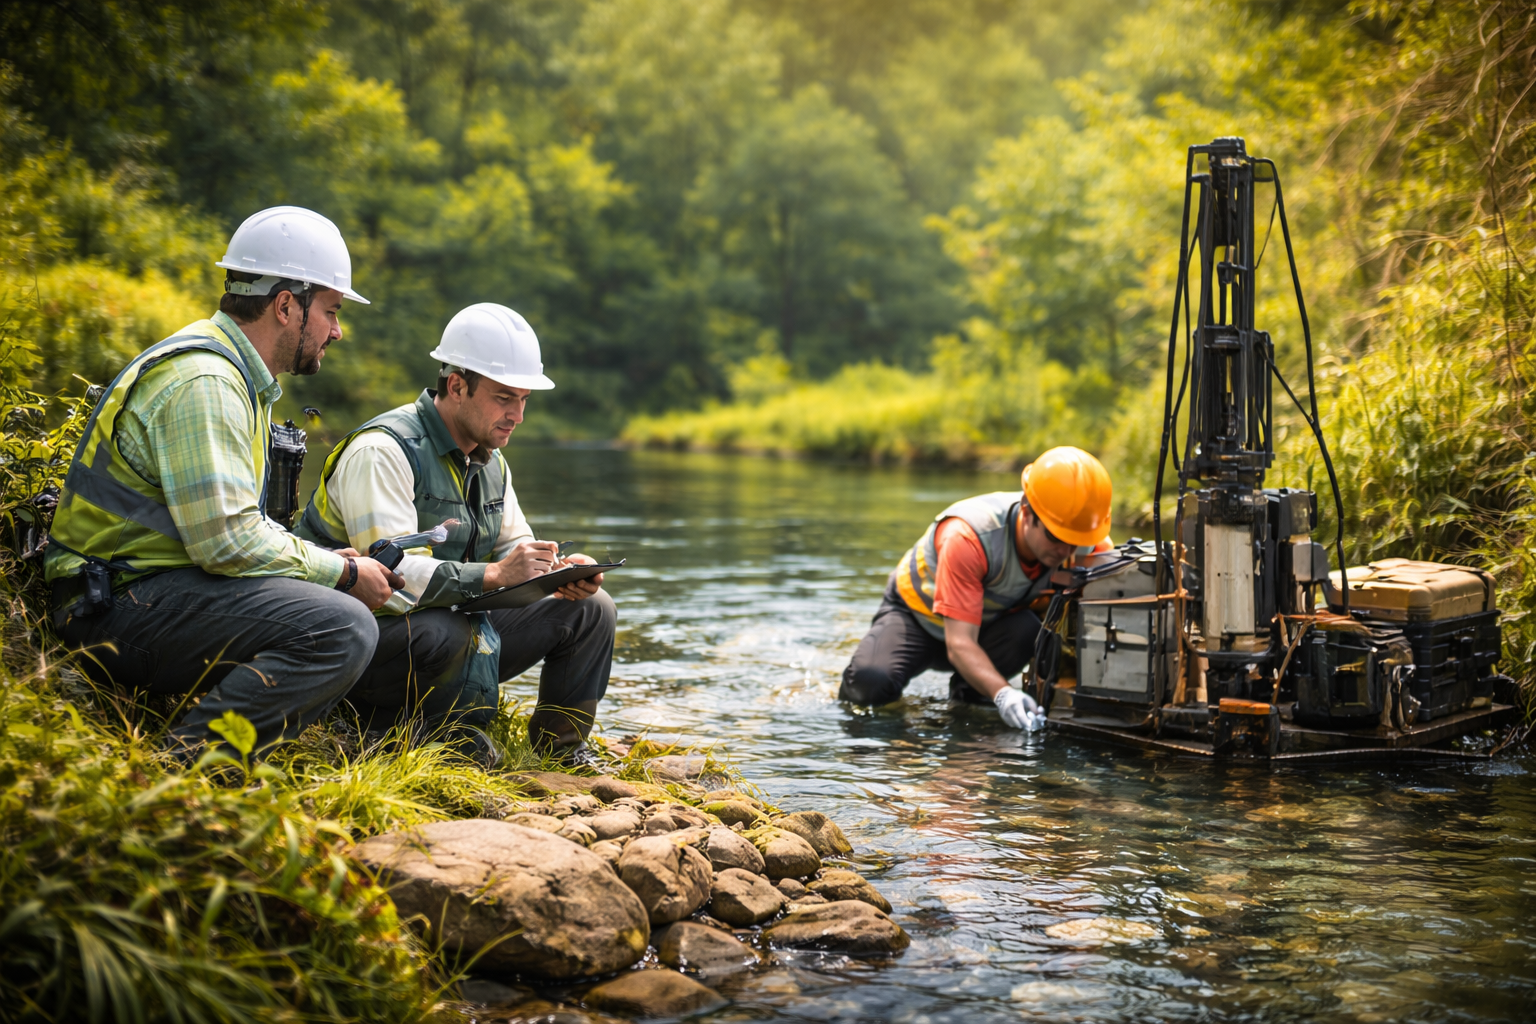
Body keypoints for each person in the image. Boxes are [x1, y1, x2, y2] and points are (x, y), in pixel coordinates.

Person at [46, 206, 402, 759]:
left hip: (139, 590)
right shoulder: (207, 381)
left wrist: (324, 563)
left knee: (331, 605)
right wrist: (343, 572)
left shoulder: (234, 376)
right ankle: (189, 771)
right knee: (344, 627)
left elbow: (231, 526)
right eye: (331, 311)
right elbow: (227, 543)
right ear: (285, 305)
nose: (337, 330)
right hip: (107, 609)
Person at [294, 303, 617, 769]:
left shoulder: (492, 461)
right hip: (354, 643)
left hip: (448, 633)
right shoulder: (382, 450)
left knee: (591, 609)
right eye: (504, 398)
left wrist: (560, 573)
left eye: (524, 399)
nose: (517, 415)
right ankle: (405, 734)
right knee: (448, 628)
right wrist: (495, 575)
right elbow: (391, 581)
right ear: (457, 386)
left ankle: (561, 754)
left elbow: (514, 551)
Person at [839, 446, 1114, 729]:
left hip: (989, 625)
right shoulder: (969, 537)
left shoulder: (1088, 546)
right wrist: (1004, 694)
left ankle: (970, 698)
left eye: (1076, 540)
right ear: (1026, 510)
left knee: (1028, 629)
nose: (1066, 550)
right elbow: (959, 644)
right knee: (869, 686)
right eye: (1055, 536)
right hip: (917, 618)